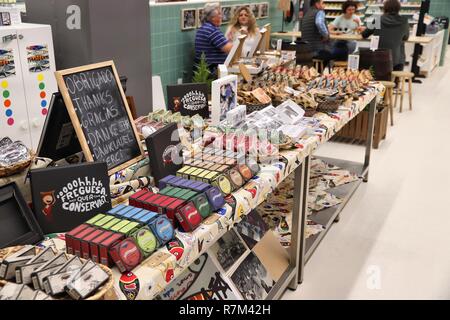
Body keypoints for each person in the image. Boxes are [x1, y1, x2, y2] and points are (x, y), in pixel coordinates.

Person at [362, 0, 409, 71]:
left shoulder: (378, 19)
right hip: (396, 59)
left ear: (385, 8)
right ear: (398, 8)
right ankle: (395, 80)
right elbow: (405, 37)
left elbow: (364, 34)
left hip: (378, 57)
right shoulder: (404, 21)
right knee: (400, 50)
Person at [194, 2, 233, 76]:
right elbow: (230, 49)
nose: (221, 17)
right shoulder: (211, 30)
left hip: (206, 69)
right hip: (210, 71)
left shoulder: (205, 28)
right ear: (212, 17)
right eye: (219, 14)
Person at [300, 0, 333, 65]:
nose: (324, 5)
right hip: (317, 50)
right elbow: (319, 23)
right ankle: (320, 73)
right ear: (317, 4)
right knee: (332, 53)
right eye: (323, 3)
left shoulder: (307, 13)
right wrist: (326, 35)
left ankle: (315, 70)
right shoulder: (320, 12)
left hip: (305, 50)